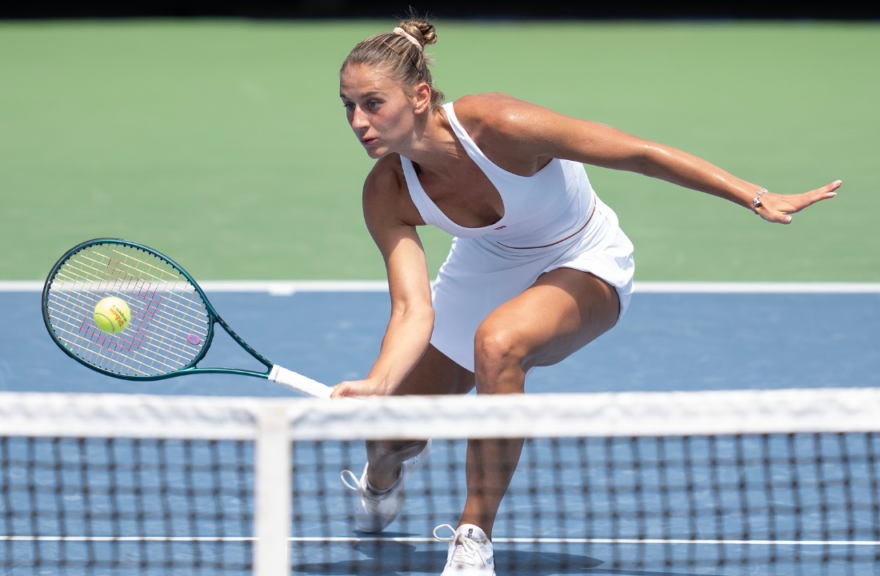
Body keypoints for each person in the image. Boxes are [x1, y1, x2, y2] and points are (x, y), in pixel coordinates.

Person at [330, 17, 839, 576]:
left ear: (420, 95)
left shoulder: (499, 126)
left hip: (583, 257)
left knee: (498, 345)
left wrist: (755, 195)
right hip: (485, 268)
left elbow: (636, 153)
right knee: (389, 436)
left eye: (373, 103)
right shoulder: (386, 189)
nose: (359, 122)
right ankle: (382, 476)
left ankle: (473, 536)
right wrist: (380, 382)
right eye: (348, 106)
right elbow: (412, 307)